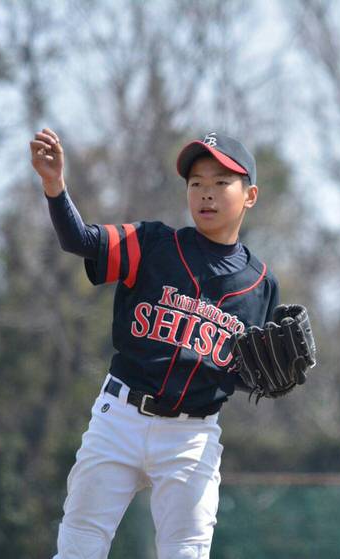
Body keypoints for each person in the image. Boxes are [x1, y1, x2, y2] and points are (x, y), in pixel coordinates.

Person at [30, 128, 280, 559]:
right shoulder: (152, 244)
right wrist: (55, 187)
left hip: (192, 436)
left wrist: (272, 380)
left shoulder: (261, 285)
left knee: (186, 553)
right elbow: (79, 240)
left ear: (250, 195)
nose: (206, 193)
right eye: (196, 183)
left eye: (221, 183)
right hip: (120, 417)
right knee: (79, 546)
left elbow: (248, 375)